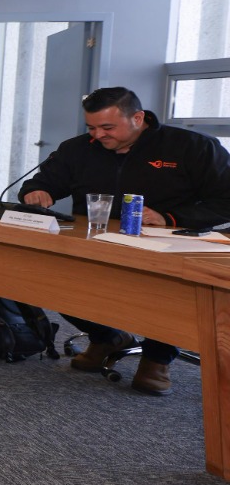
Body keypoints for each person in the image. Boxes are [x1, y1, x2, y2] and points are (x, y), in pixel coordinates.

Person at [20, 86, 230, 395]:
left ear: (138, 118)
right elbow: (42, 182)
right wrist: (35, 193)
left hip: (165, 247)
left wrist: (170, 217)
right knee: (48, 280)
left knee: (165, 294)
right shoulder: (77, 149)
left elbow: (225, 200)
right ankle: (106, 337)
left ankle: (158, 358)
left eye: (107, 127)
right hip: (93, 243)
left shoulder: (193, 147)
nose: (98, 135)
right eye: (91, 127)